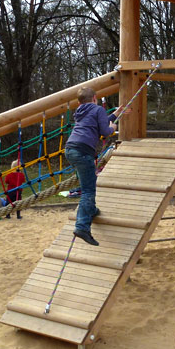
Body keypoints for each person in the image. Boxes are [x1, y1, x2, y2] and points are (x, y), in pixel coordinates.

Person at [64, 87, 118, 246]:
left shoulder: (80, 110)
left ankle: (91, 210)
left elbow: (96, 121)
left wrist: (115, 114)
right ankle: (82, 226)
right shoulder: (97, 109)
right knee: (88, 190)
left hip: (70, 149)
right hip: (83, 151)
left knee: (87, 182)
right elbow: (105, 130)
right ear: (95, 98)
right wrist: (113, 128)